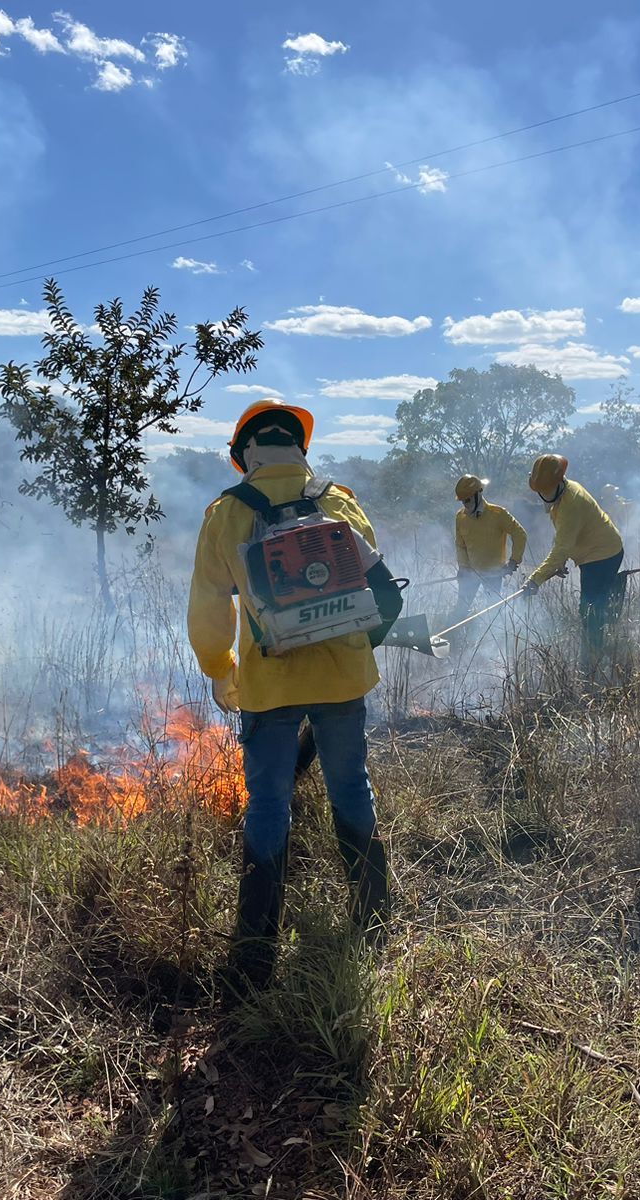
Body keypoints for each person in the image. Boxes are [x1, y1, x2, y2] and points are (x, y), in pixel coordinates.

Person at [187, 400, 400, 998]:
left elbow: (210, 607)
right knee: (351, 786)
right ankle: (374, 919)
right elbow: (372, 586)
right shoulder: (339, 501)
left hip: (269, 683)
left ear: (243, 454)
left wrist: (219, 668)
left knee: (269, 804)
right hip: (343, 678)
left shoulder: (226, 513)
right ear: (299, 449)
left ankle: (255, 950)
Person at [523, 454, 626, 669]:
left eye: (544, 489)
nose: (541, 494)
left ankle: (592, 663)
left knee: (590, 610)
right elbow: (563, 535)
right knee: (591, 607)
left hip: (602, 556)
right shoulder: (565, 491)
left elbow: (562, 547)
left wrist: (535, 580)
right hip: (598, 551)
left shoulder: (571, 503)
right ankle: (595, 653)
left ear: (557, 483)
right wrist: (558, 562)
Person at [452, 474, 527, 619]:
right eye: (462, 501)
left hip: (494, 574)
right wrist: (463, 567)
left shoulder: (498, 514)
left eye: (467, 500)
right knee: (461, 609)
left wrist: (514, 561)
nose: (465, 505)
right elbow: (460, 545)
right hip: (470, 574)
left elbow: (520, 534)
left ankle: (494, 639)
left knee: (493, 612)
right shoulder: (460, 517)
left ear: (478, 494)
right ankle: (456, 636)